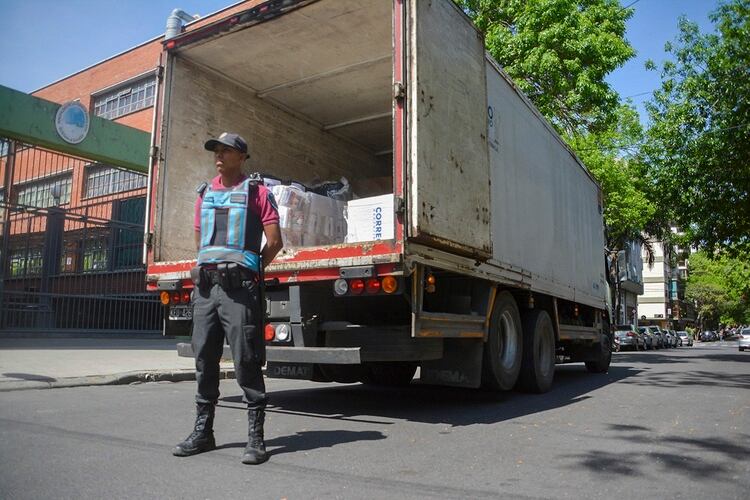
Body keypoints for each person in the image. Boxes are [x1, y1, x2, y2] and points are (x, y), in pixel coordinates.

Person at [172, 132, 283, 465]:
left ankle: (256, 439)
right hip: (206, 290)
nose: (219, 156)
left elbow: (275, 241)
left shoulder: (257, 193)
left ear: (243, 157)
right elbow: (200, 243)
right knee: (204, 359)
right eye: (216, 151)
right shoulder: (204, 194)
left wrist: (250, 269)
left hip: (240, 289)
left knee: (246, 360)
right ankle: (203, 433)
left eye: (226, 151)